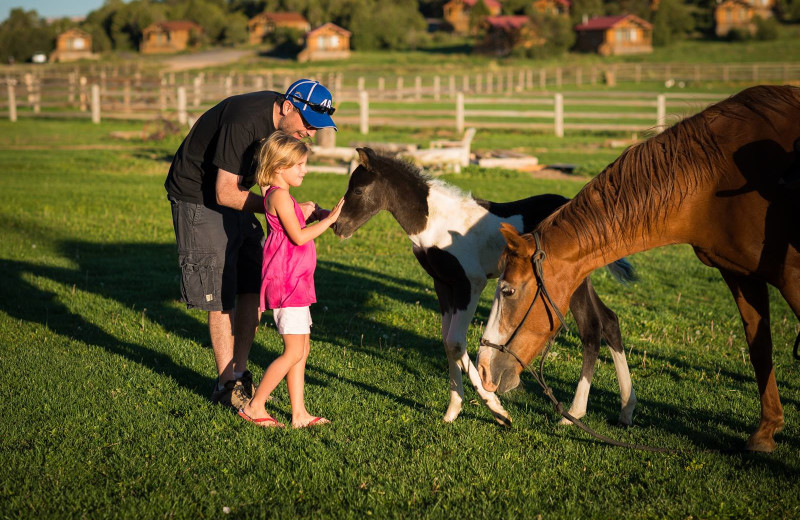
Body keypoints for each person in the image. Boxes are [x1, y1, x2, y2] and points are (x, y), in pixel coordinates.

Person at [165, 79, 338, 411]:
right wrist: (282, 212)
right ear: (288, 107)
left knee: (251, 282)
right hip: (199, 196)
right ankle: (226, 384)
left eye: (317, 128)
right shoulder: (244, 120)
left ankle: (241, 373)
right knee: (220, 289)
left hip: (235, 192)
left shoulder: (282, 125)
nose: (311, 133)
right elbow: (224, 193)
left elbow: (266, 186)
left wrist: (288, 211)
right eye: (308, 124)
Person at [237, 131, 344, 428]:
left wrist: (307, 211)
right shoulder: (280, 196)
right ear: (279, 167)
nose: (304, 170)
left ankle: (299, 414)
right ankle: (254, 406)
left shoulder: (281, 195)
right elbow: (297, 237)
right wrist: (328, 221)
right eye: (299, 165)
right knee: (294, 351)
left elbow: (291, 224)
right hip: (287, 283)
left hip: (296, 281)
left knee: (303, 350)